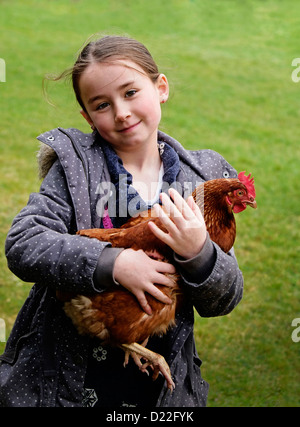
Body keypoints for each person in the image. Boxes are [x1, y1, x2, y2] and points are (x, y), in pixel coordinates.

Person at [0, 35, 243, 407]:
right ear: (87, 117)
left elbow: (225, 298)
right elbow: (23, 243)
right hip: (64, 381)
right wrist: (114, 263)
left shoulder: (201, 180)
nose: (121, 112)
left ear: (160, 88)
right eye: (102, 104)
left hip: (157, 390)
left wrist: (199, 252)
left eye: (130, 92)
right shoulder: (76, 171)